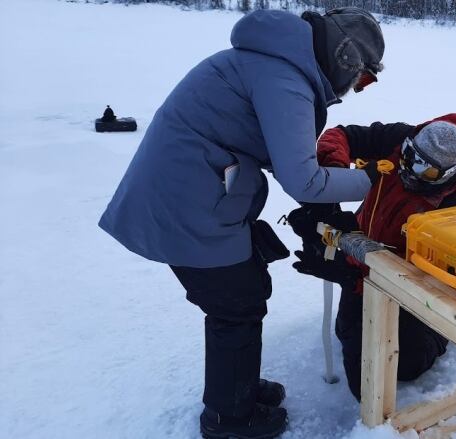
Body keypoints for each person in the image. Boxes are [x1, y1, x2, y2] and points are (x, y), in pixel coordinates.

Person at [98, 7, 384, 439]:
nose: (356, 90)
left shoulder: (274, 64)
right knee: (235, 305)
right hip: (186, 205)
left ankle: (238, 389)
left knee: (242, 294)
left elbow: (277, 150)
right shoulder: (283, 78)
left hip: (194, 195)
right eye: (362, 77)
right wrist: (374, 182)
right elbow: (303, 180)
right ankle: (229, 418)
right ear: (345, 57)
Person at [289, 113, 456, 399]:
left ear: (450, 173)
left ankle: (436, 332)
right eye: (410, 155)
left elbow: (416, 274)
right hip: (363, 260)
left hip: (404, 287)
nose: (411, 168)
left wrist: (350, 273)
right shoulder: (399, 138)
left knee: (405, 364)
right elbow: (340, 135)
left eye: (428, 170)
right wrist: (335, 183)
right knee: (347, 335)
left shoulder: (455, 208)